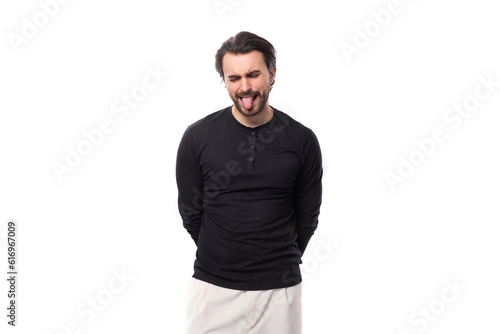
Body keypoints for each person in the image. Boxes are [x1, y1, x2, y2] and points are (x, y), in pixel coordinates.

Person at [176, 31, 323, 334]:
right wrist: (223, 255)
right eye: (234, 78)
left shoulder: (302, 140)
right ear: (225, 80)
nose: (244, 87)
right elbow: (191, 213)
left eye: (253, 75)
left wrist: (275, 260)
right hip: (212, 290)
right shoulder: (197, 137)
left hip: (279, 293)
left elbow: (307, 218)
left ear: (272, 74)